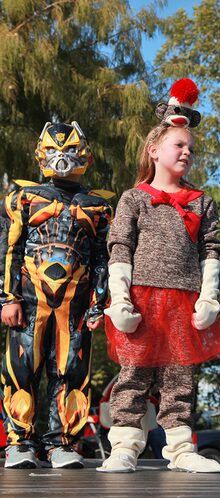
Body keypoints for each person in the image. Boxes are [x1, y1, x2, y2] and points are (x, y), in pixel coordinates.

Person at [98, 79, 220, 473]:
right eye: (179, 145)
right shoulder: (134, 197)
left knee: (180, 375)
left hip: (184, 299)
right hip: (141, 298)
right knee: (134, 373)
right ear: (154, 150)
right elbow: (120, 248)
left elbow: (210, 251)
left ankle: (180, 447)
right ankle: (125, 445)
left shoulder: (203, 201)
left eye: (191, 148)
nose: (187, 152)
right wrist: (119, 300)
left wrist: (208, 298)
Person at [0, 121, 112, 469]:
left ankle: (62, 442)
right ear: (41, 155)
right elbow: (8, 249)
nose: (62, 159)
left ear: (85, 157)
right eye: (55, 151)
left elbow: (102, 259)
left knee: (72, 372)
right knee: (21, 369)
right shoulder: (22, 198)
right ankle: (20, 443)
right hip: (29, 303)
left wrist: (98, 305)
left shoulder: (98, 207)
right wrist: (7, 297)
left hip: (75, 306)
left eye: (70, 151)